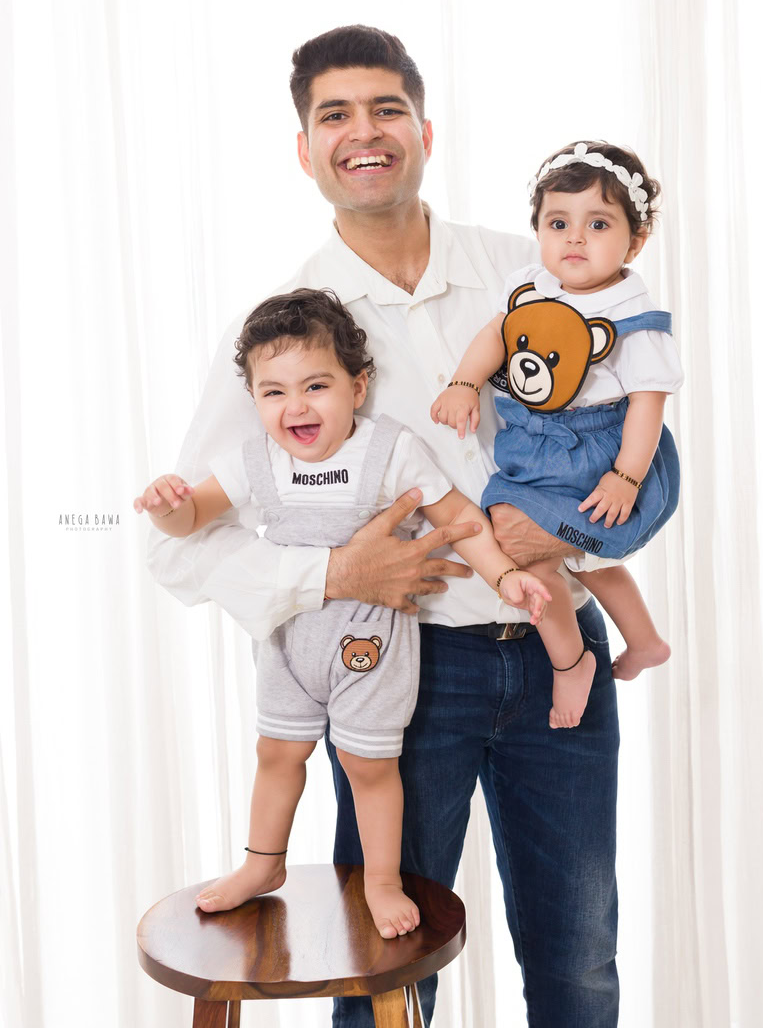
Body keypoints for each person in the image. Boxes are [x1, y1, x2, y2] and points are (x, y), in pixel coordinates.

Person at [148, 25, 626, 1026]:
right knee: (383, 974)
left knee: (578, 961)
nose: (363, 131)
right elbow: (175, 540)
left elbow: (645, 455)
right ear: (305, 149)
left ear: (424, 131)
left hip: (561, 655)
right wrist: (333, 575)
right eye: (335, 115)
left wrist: (579, 537)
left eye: (386, 109)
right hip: (403, 673)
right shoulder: (285, 334)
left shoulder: (534, 272)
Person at [135, 288, 549, 938]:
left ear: (357, 388)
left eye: (316, 386)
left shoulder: (389, 450)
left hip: (371, 645)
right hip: (288, 641)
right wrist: (169, 506)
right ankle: (262, 862)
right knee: (276, 753)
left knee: (369, 766)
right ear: (254, 400)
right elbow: (192, 519)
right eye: (273, 392)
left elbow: (458, 516)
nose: (295, 406)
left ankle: (381, 879)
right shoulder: (256, 460)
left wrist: (504, 573)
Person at [431, 140, 682, 728]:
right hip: (534, 443)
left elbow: (648, 406)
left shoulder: (634, 316)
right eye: (558, 223)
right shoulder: (531, 284)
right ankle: (641, 641)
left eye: (598, 224)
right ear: (539, 230)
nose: (575, 239)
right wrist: (465, 382)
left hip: (596, 450)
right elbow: (498, 334)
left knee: (530, 546)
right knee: (570, 557)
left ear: (635, 242)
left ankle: (571, 664)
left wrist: (626, 477)